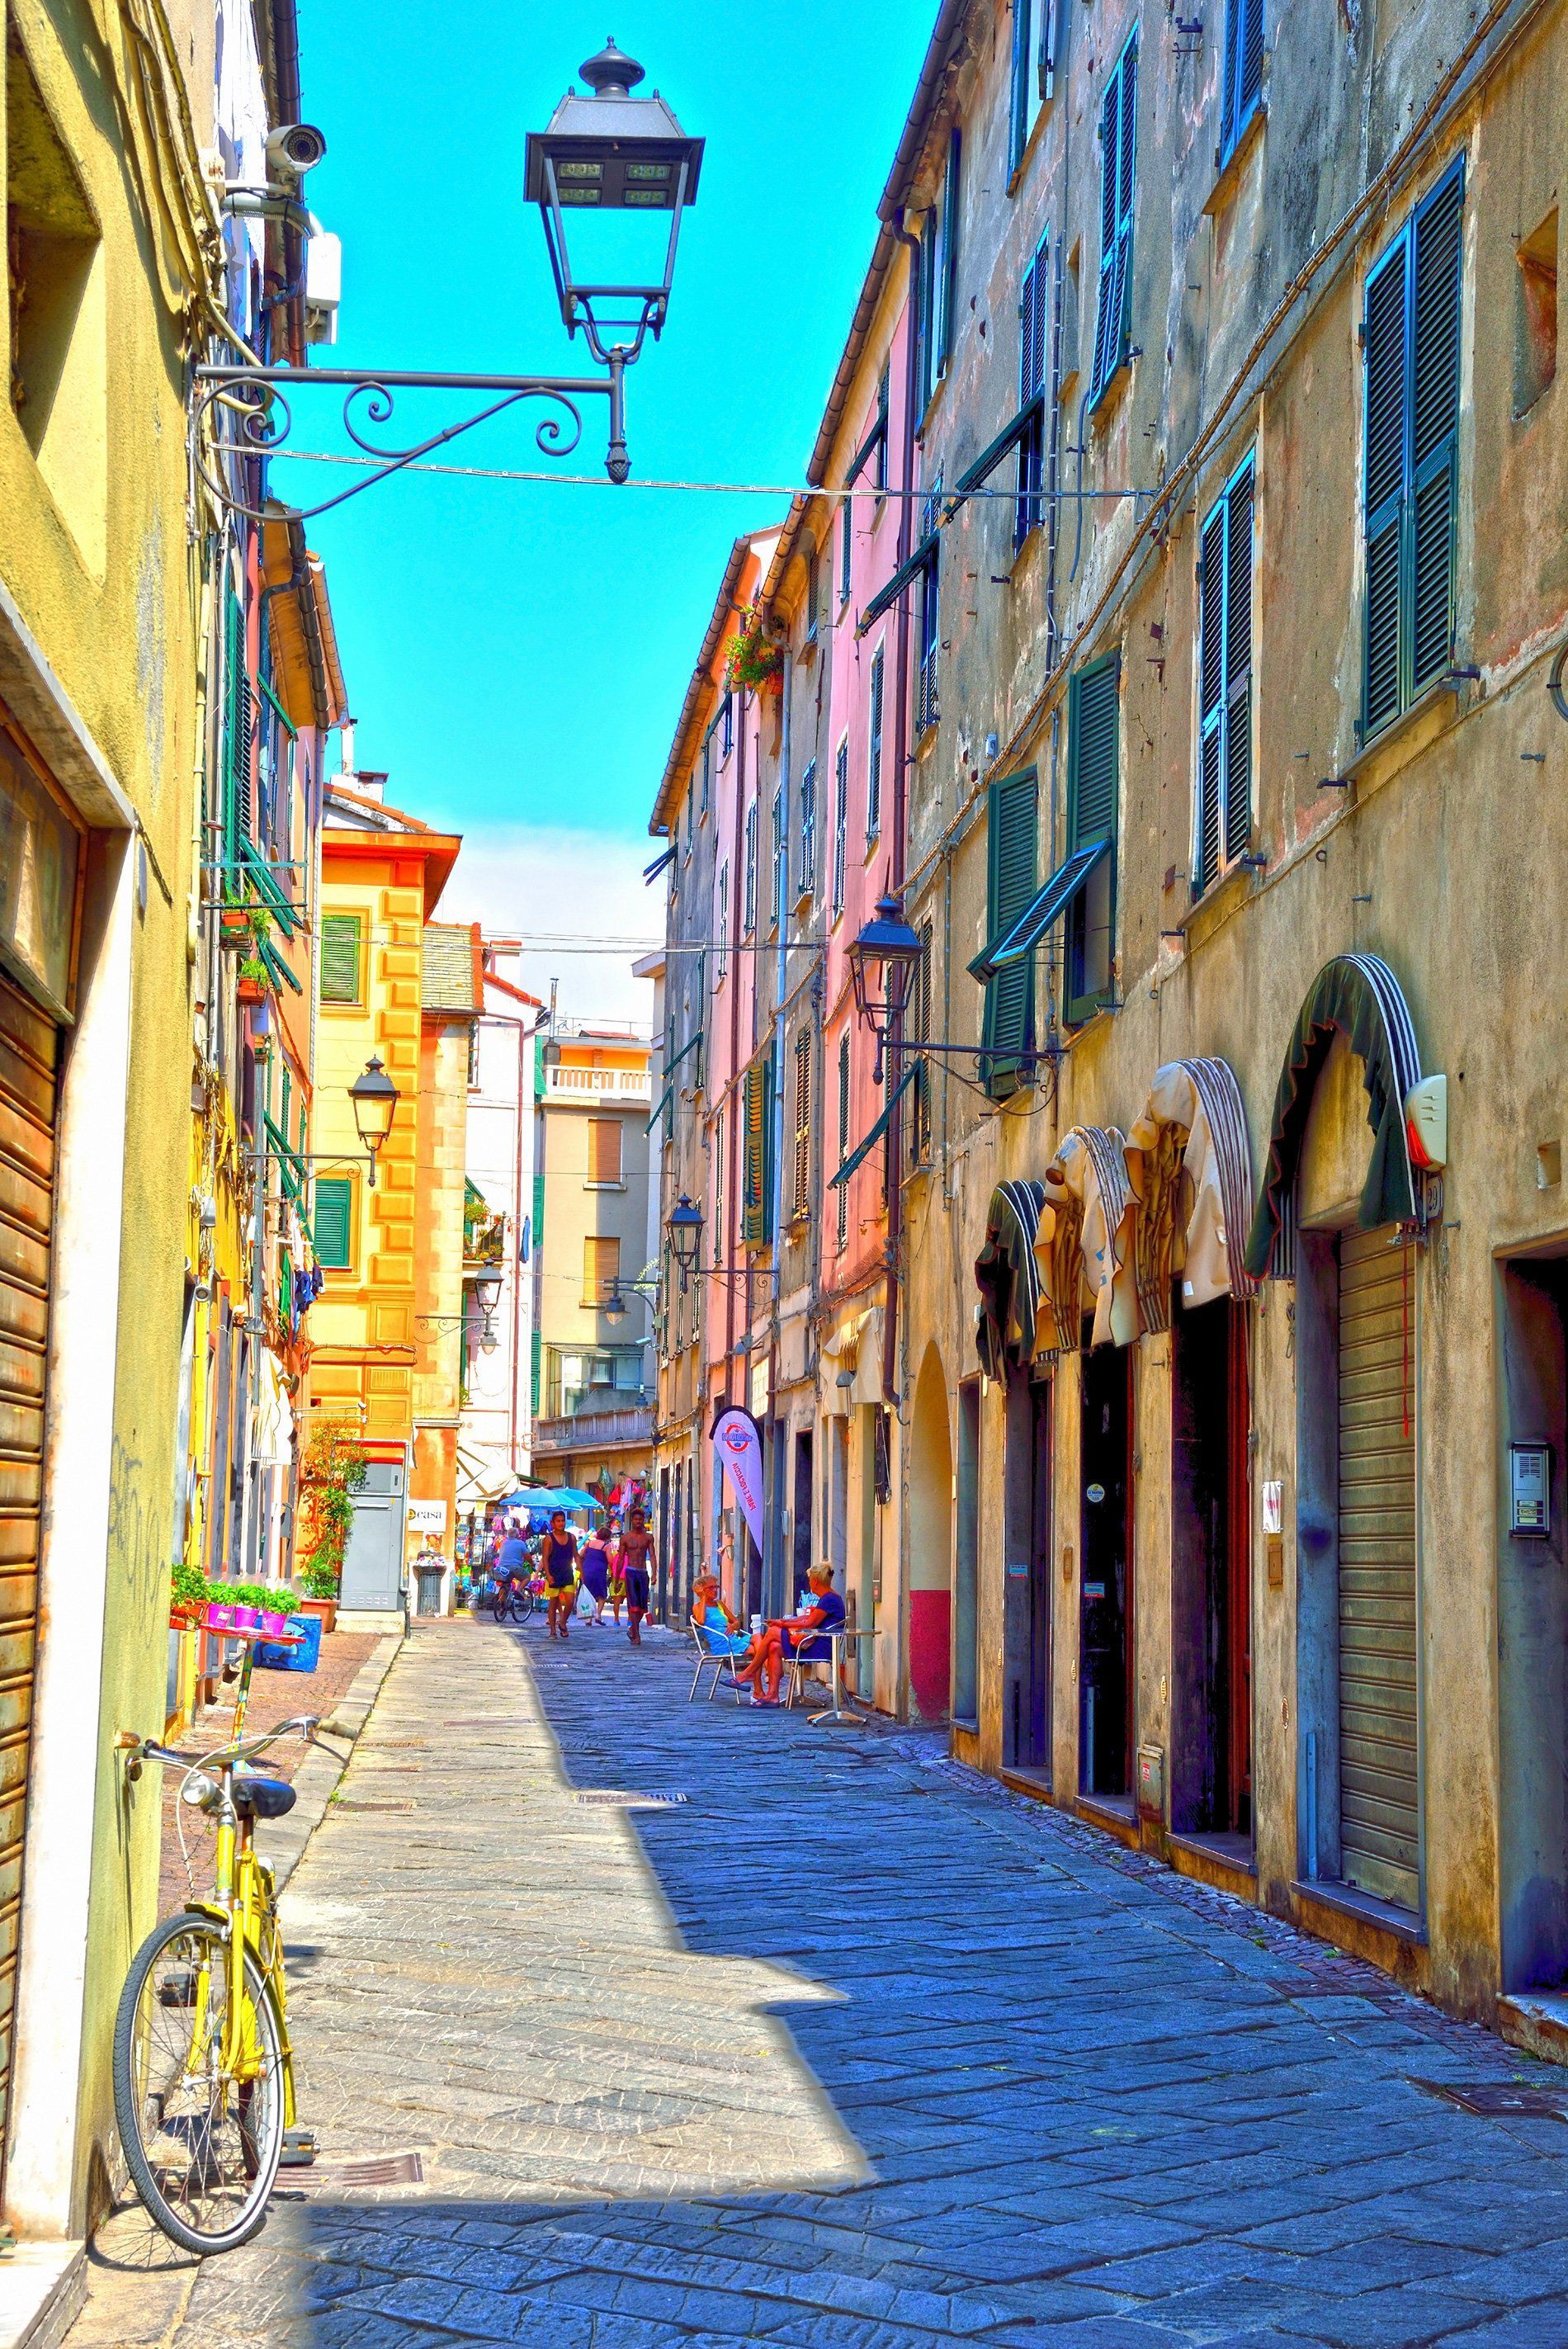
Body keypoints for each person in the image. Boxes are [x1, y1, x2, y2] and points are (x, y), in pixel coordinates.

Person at [735, 1562, 845, 1705]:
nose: (809, 1583)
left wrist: (782, 1624)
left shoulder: (829, 1599)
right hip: (815, 1642)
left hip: (821, 1646)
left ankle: (750, 1672)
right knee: (774, 1646)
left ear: (815, 1580)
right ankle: (772, 1695)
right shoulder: (829, 1598)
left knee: (774, 1632)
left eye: (809, 1580)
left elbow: (810, 1624)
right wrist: (782, 1621)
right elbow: (808, 1618)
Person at [618, 1505, 655, 1645]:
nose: (638, 1522)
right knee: (633, 1605)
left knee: (642, 1607)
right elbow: (621, 1558)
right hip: (631, 1572)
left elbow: (652, 1555)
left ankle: (633, 1629)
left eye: (640, 1519)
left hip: (643, 1572)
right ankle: (637, 1635)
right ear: (632, 1521)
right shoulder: (626, 1538)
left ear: (643, 1520)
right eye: (636, 1519)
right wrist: (616, 1577)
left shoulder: (648, 1538)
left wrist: (654, 1573)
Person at [541, 1510, 579, 1639]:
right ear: (553, 1523)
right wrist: (548, 1574)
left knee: (570, 1601)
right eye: (558, 1521)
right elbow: (545, 1558)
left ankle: (562, 1622)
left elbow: (576, 1555)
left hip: (567, 1573)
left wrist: (581, 1571)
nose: (561, 1523)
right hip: (553, 1573)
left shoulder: (572, 1537)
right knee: (553, 1603)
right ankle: (553, 1630)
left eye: (563, 1521)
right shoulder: (548, 1539)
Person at [690, 1573, 749, 1657]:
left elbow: (737, 1622)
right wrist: (702, 1597)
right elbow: (701, 1621)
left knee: (763, 1641)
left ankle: (751, 1671)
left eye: (716, 1587)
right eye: (711, 1587)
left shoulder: (719, 1603)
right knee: (763, 1649)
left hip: (733, 1639)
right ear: (702, 1590)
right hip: (723, 1644)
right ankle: (753, 1671)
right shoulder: (697, 1607)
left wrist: (733, 1626)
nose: (715, 1590)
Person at [579, 1516, 612, 1624]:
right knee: (602, 1594)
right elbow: (610, 1560)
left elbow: (581, 1555)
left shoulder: (590, 1543)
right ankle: (598, 1615)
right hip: (599, 1572)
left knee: (589, 1594)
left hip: (587, 1570)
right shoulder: (606, 1546)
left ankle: (588, 1618)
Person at [496, 1520, 529, 1610]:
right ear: (517, 1535)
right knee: (527, 1577)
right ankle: (518, 1591)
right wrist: (532, 1563)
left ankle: (502, 1606)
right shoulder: (520, 1543)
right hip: (514, 1567)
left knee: (505, 1584)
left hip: (501, 1568)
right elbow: (527, 1557)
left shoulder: (503, 1543)